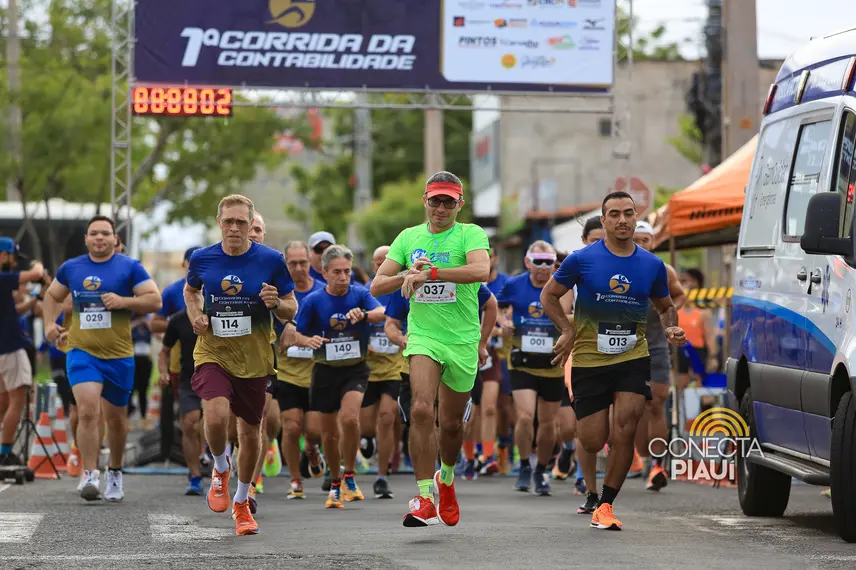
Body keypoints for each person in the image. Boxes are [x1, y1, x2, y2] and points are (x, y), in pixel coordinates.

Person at [540, 192, 686, 531]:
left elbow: (666, 307)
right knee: (592, 439)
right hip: (590, 360)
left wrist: (672, 327)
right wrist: (566, 329)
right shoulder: (581, 259)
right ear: (603, 221)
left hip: (633, 356)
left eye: (628, 213)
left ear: (636, 219)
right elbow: (549, 295)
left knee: (626, 426)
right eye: (614, 214)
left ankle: (605, 504)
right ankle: (595, 480)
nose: (622, 219)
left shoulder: (651, 265)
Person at [371, 171, 490, 528]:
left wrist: (432, 274)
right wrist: (407, 273)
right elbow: (377, 286)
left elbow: (481, 270)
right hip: (423, 336)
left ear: (459, 204)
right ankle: (424, 496)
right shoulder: (409, 238)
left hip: (463, 340)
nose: (440, 207)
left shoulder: (470, 233)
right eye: (434, 200)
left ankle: (447, 479)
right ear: (425, 201)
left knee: (451, 426)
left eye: (448, 202)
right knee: (421, 409)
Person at [184, 195, 297, 536]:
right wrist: (196, 315)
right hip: (213, 352)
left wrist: (277, 302)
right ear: (219, 222)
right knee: (216, 417)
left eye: (241, 222)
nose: (234, 228)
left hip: (254, 357)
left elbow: (292, 307)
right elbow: (191, 292)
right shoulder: (203, 258)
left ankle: (242, 500)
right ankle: (220, 466)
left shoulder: (271, 260)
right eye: (228, 221)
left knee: (250, 432)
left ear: (251, 225)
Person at [42, 216, 162, 501]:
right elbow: (51, 295)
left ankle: (116, 471)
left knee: (117, 420)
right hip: (81, 351)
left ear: (114, 240)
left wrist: (124, 302)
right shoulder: (72, 267)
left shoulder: (129, 267)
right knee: (86, 410)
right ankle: (89, 473)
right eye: (94, 233)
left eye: (105, 233)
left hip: (119, 355)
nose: (99, 238)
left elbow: (154, 300)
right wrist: (49, 324)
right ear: (86, 239)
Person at [295, 245, 386, 508]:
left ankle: (349, 474)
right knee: (329, 434)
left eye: (347, 271)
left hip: (355, 368)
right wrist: (307, 339)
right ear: (324, 272)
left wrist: (365, 315)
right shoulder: (313, 300)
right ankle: (335, 482)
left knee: (349, 417)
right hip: (324, 370)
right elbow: (296, 333)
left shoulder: (359, 294)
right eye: (337, 272)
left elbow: (382, 312)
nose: (344, 277)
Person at [497, 240, 569, 496]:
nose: (543, 267)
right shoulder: (515, 285)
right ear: (528, 262)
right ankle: (525, 465)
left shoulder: (562, 286)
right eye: (537, 262)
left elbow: (572, 315)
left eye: (548, 262)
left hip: (552, 363)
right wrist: (504, 322)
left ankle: (541, 470)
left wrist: (565, 324)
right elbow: (498, 307)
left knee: (549, 423)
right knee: (526, 416)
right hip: (522, 361)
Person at [554, 216, 604, 511]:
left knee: (610, 426)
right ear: (584, 241)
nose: (598, 245)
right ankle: (590, 488)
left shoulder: (626, 265)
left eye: (603, 239)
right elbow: (561, 313)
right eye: (593, 241)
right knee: (581, 422)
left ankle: (600, 486)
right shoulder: (574, 268)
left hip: (620, 352)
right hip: (581, 349)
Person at [632, 221, 686, 492]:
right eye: (636, 239)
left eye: (646, 240)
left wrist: (668, 319)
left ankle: (657, 465)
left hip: (656, 344)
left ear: (653, 242)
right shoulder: (620, 267)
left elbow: (678, 295)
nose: (641, 245)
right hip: (624, 348)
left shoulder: (663, 270)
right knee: (634, 408)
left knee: (657, 403)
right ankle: (638, 459)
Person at [271, 241, 325, 501]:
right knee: (291, 428)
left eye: (303, 262)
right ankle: (295, 480)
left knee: (314, 431)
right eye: (292, 263)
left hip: (318, 372)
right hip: (288, 372)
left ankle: (313, 449)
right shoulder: (276, 297)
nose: (299, 268)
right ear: (285, 265)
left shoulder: (324, 293)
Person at [360, 245, 406, 499]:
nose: (380, 267)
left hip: (394, 366)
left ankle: (382, 476)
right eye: (377, 263)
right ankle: (366, 440)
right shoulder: (365, 292)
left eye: (385, 262)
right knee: (366, 426)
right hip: (366, 368)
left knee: (387, 418)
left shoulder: (404, 289)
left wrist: (404, 337)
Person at [0, 237, 45, 466]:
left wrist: (32, 300)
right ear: (3, 255)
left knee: (3, 401)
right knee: (18, 401)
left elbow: (12, 311)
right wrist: (38, 266)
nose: (15, 264)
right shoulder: (3, 278)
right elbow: (36, 274)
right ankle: (5, 452)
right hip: (9, 347)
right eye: (14, 258)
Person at [158, 308, 204, 495]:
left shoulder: (222, 312)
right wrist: (163, 372)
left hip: (221, 377)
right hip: (190, 379)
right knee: (189, 424)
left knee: (220, 424)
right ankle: (195, 477)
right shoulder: (179, 319)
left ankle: (223, 468)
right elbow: (164, 352)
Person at [130, 313, 153, 429]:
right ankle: (126, 419)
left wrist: (146, 323)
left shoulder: (147, 318)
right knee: (130, 389)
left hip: (145, 357)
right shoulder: (129, 318)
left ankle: (144, 419)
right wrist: (136, 323)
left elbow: (154, 330)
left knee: (143, 389)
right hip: (132, 357)